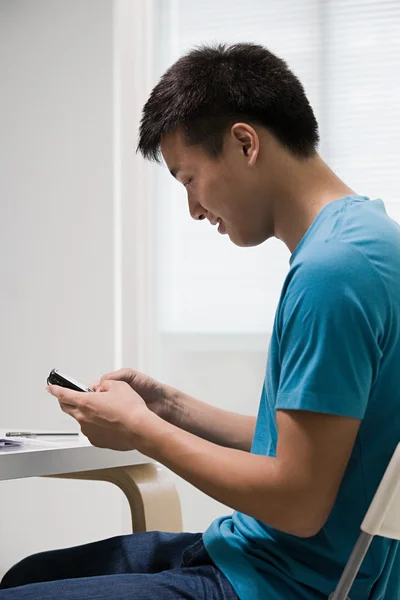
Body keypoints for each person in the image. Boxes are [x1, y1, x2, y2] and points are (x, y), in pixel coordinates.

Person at [1, 41, 400, 600]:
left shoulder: (332, 272)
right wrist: (168, 406)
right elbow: (304, 447)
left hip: (282, 582)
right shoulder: (369, 240)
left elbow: (299, 502)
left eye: (188, 178)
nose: (193, 208)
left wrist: (143, 430)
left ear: (244, 143)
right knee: (25, 576)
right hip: (257, 552)